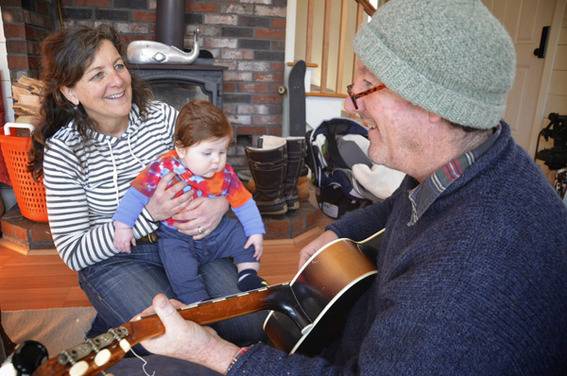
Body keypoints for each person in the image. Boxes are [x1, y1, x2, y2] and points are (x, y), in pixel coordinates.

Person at [138, 0, 567, 375]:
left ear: (430, 102)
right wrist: (337, 233)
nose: (349, 102)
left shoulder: (464, 277)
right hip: (354, 335)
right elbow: (400, 207)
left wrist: (213, 353)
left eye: (366, 83)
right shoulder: (469, 164)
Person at [29, 24, 265, 345]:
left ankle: (116, 323)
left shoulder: (163, 118)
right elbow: (73, 250)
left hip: (187, 242)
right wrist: (148, 215)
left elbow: (215, 166)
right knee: (179, 337)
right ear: (70, 92)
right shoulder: (64, 152)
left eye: (118, 65)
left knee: (251, 323)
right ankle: (120, 319)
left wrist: (219, 204)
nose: (116, 80)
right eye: (97, 74)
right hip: (115, 260)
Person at [113, 100, 266, 303]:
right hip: (177, 237)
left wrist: (255, 231)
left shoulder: (225, 173)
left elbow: (244, 202)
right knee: (178, 266)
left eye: (222, 152)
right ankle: (195, 300)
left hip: (216, 233)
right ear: (182, 150)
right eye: (208, 153)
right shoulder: (162, 168)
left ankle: (248, 274)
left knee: (243, 236)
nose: (216, 160)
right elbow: (136, 194)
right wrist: (123, 226)